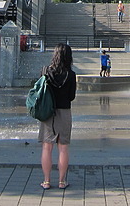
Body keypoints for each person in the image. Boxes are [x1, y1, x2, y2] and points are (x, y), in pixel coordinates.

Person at [39, 43, 76, 191]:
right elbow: (71, 97)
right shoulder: (71, 75)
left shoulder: (45, 71)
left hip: (48, 113)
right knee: (63, 148)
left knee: (47, 148)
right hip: (64, 112)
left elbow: (40, 91)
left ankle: (46, 181)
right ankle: (62, 181)